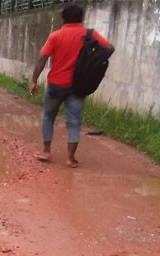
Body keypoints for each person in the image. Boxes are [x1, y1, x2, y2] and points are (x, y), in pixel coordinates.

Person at [29, 4, 114, 168]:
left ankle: (46, 151)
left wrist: (34, 80)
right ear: (81, 18)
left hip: (56, 84)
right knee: (74, 122)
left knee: (48, 116)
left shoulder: (55, 36)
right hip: (78, 86)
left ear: (63, 18)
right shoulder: (90, 34)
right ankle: (70, 158)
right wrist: (95, 60)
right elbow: (110, 48)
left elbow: (42, 59)